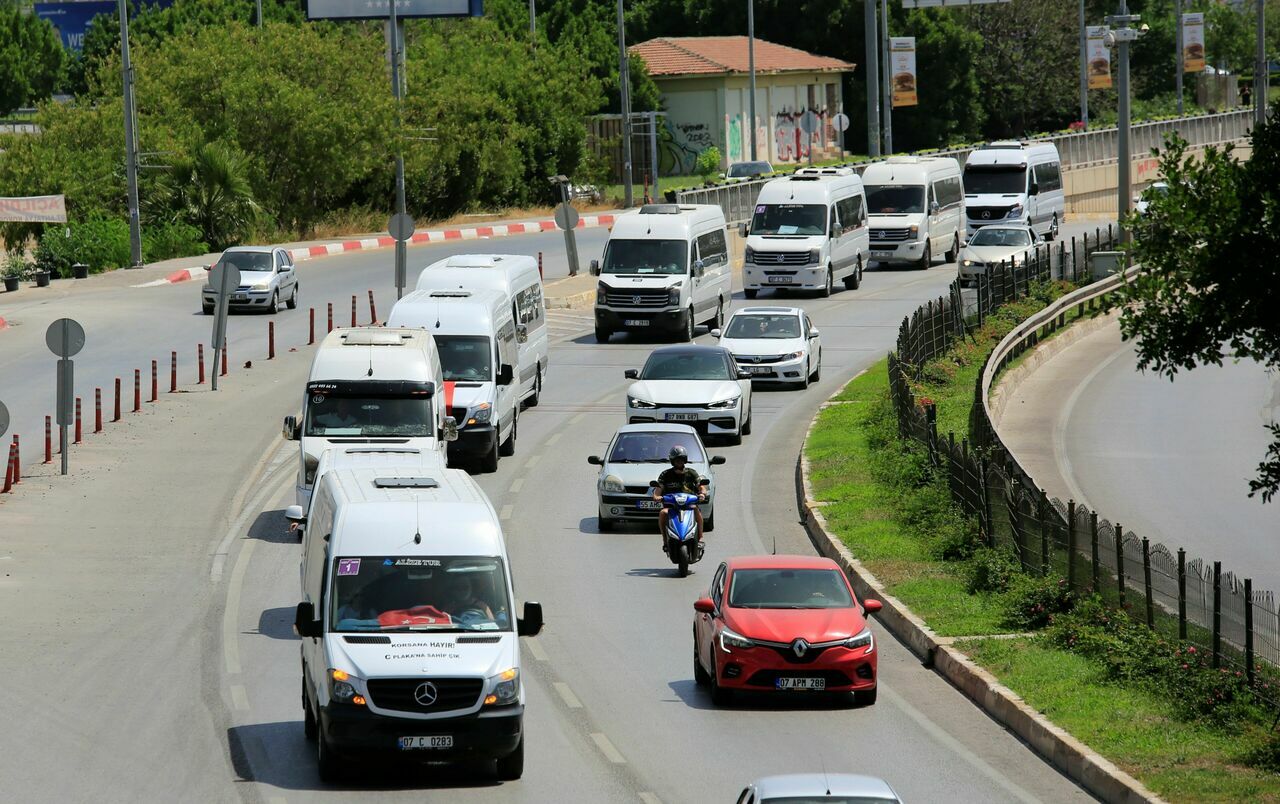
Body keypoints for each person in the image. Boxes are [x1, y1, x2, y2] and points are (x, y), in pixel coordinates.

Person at [653, 445, 706, 549]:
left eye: (681, 460)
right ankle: (665, 541)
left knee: (696, 509)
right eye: (677, 460)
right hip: (671, 506)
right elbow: (658, 489)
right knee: (663, 513)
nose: (679, 462)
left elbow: (701, 487)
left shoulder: (692, 473)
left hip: (689, 505)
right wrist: (656, 496)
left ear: (685, 460)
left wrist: (702, 494)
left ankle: (700, 538)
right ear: (672, 461)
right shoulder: (665, 474)